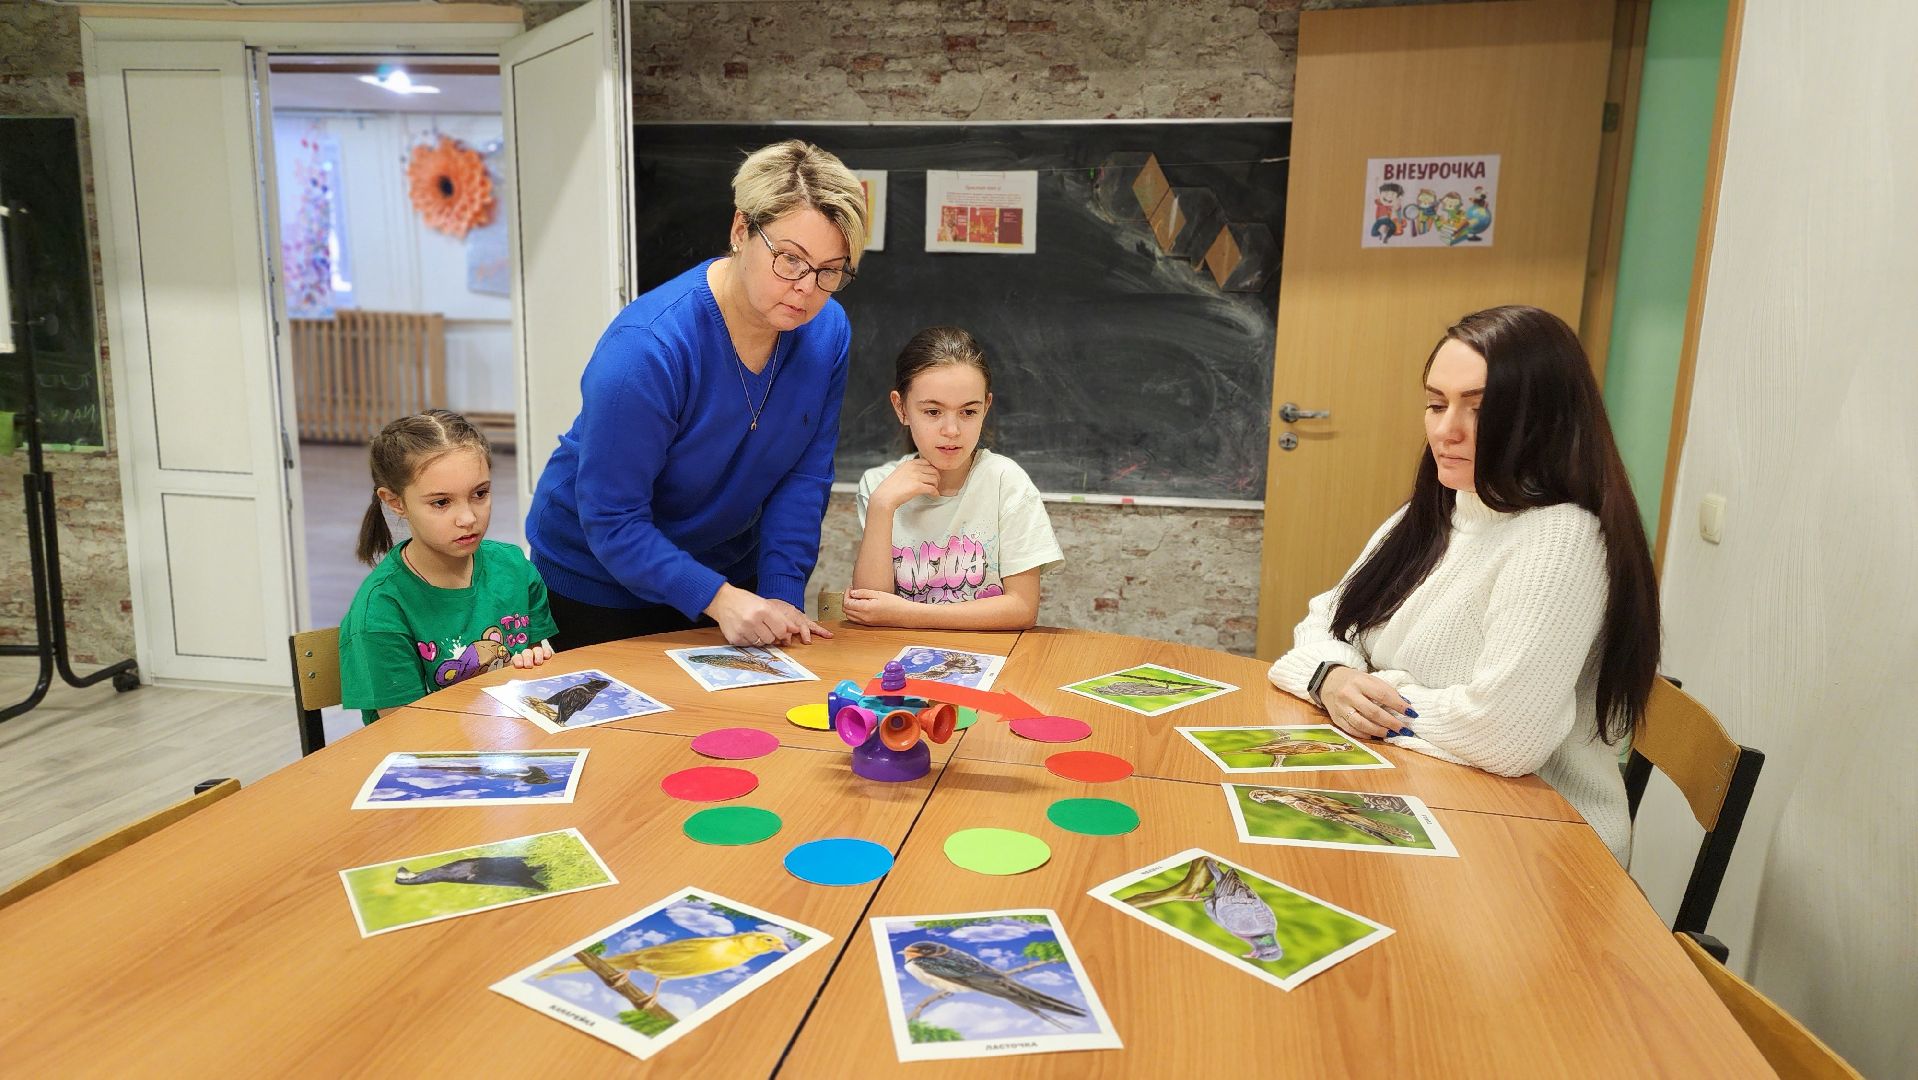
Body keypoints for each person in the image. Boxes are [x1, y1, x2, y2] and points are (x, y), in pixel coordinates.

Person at [1266, 306, 1660, 864]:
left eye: (1480, 409)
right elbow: (1322, 623)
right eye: (1436, 404)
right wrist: (1330, 678)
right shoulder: (1443, 510)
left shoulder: (1560, 539)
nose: (1446, 431)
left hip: (1537, 845)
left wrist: (1373, 687)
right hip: (1429, 793)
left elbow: (1505, 736)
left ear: (1544, 419)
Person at [526, 140, 868, 650]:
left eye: (829, 270)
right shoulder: (646, 351)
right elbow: (613, 520)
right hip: (599, 582)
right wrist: (718, 599)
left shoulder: (825, 333)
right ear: (740, 230)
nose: (806, 287)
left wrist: (780, 592)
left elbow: (803, 475)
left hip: (727, 576)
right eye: (790, 260)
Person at [340, 410, 558, 723]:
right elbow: (402, 730)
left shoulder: (513, 568)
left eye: (480, 494)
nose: (468, 518)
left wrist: (534, 665)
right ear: (395, 502)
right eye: (441, 502)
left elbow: (535, 678)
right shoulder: (380, 610)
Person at [846, 326, 1062, 630]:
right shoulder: (879, 485)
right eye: (933, 412)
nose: (952, 430)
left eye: (968, 412)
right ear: (901, 408)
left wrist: (907, 614)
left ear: (986, 407)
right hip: (900, 653)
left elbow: (1022, 608)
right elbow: (871, 608)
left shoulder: (1006, 482)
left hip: (989, 653)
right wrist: (881, 506)